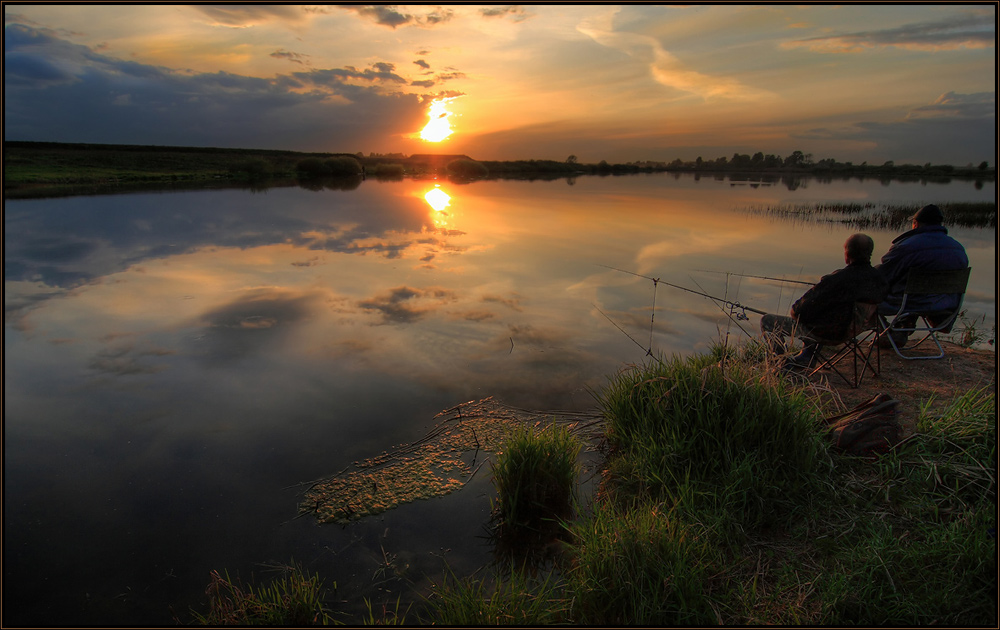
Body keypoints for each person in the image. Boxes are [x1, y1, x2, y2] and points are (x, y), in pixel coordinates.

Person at [760, 233, 888, 368]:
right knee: (822, 314)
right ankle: (807, 357)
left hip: (831, 334)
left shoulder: (837, 280)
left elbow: (798, 311)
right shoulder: (880, 279)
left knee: (768, 321)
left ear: (847, 255)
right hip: (855, 331)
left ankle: (781, 364)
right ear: (870, 253)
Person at [876, 204, 969, 345]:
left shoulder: (907, 247)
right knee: (913, 292)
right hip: (944, 304)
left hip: (908, 302)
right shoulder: (958, 249)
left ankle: (889, 333)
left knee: (865, 296)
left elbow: (882, 277)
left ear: (916, 224)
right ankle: (903, 326)